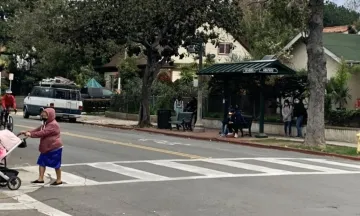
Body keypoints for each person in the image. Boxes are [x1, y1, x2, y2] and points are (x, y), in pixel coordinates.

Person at [21, 108, 63, 186]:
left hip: (54, 148)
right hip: (47, 147)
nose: (43, 116)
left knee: (56, 164)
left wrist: (31, 135)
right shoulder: (46, 123)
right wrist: (28, 132)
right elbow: (38, 129)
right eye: (43, 114)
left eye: (45, 115)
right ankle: (40, 178)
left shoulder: (53, 124)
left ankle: (59, 180)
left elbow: (42, 133)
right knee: (42, 162)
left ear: (50, 115)